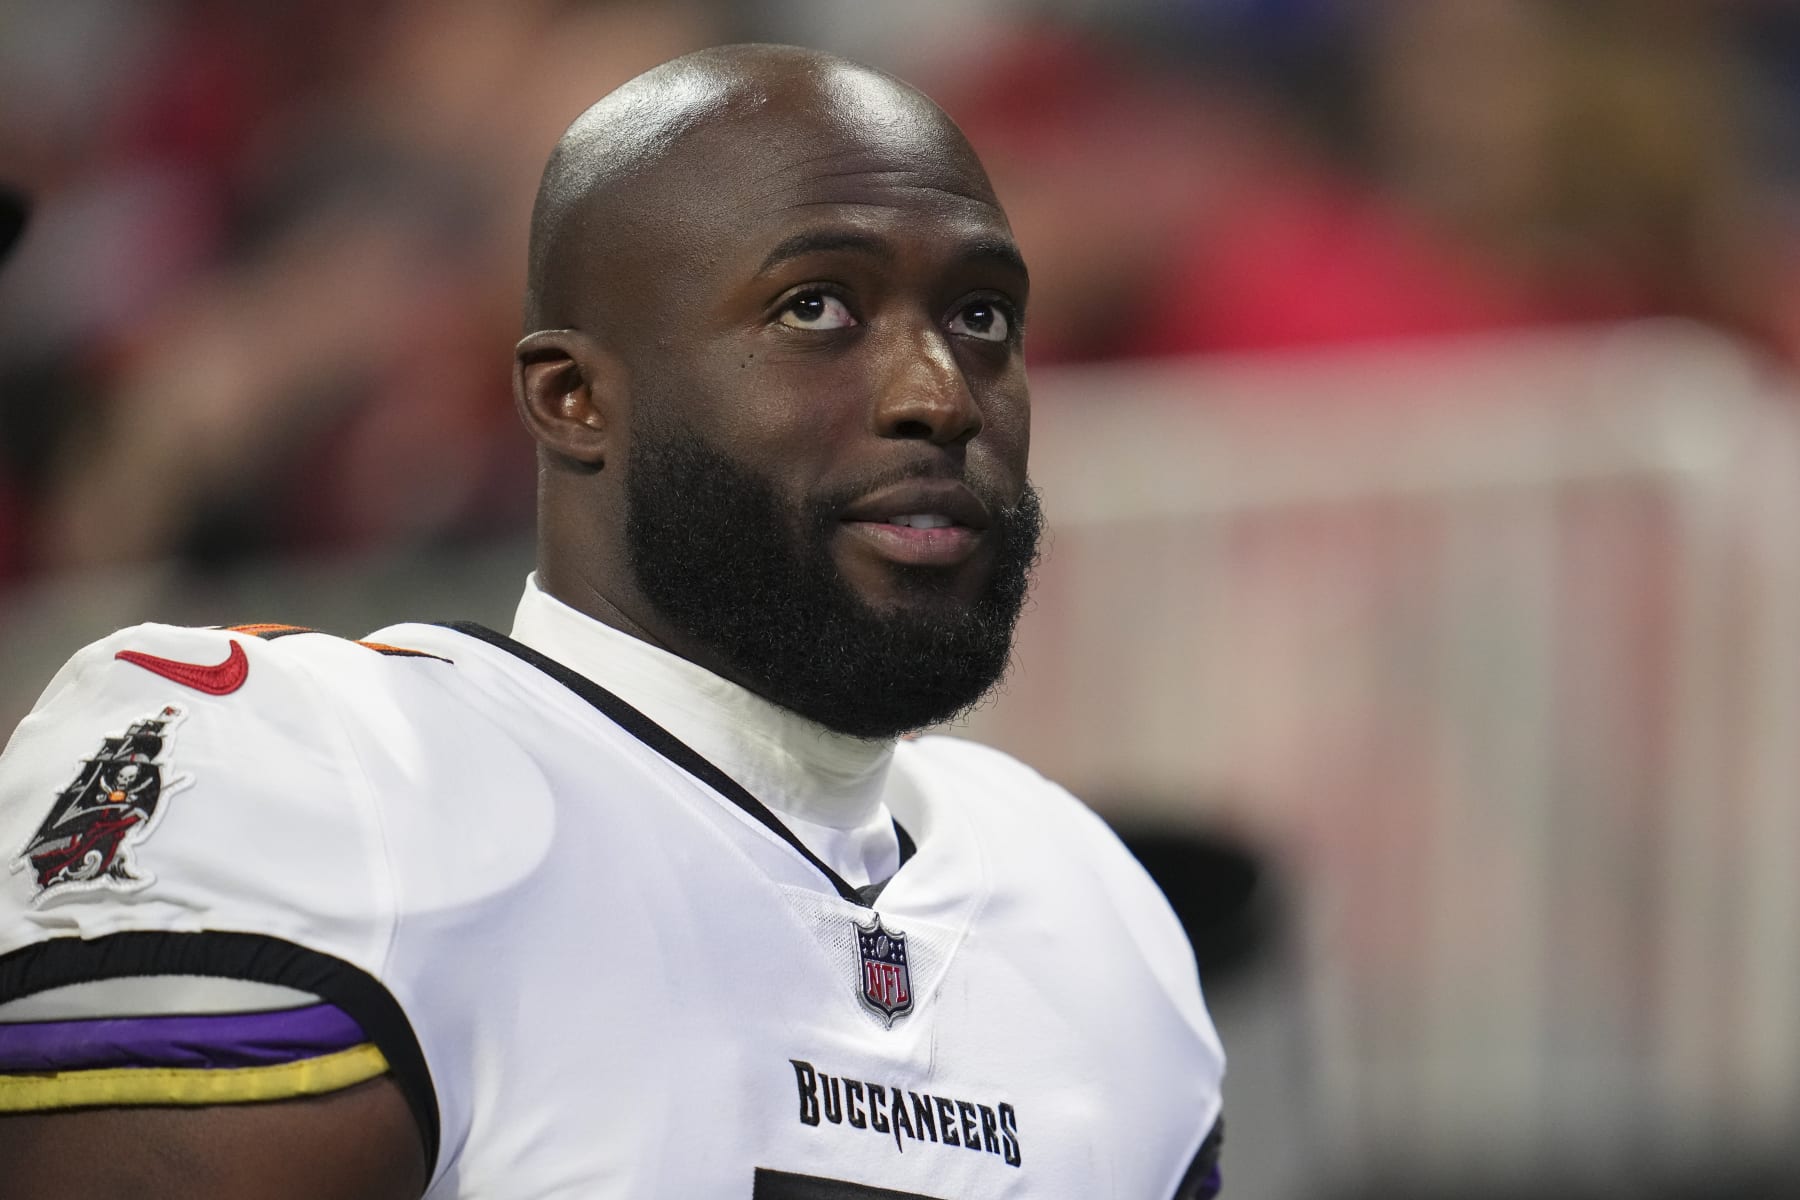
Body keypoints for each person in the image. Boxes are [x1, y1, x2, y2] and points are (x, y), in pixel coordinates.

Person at [0, 45, 1225, 1198]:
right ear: (574, 396)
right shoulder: (335, 782)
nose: (938, 396)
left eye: (981, 317)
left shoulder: (1091, 913)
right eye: (817, 308)